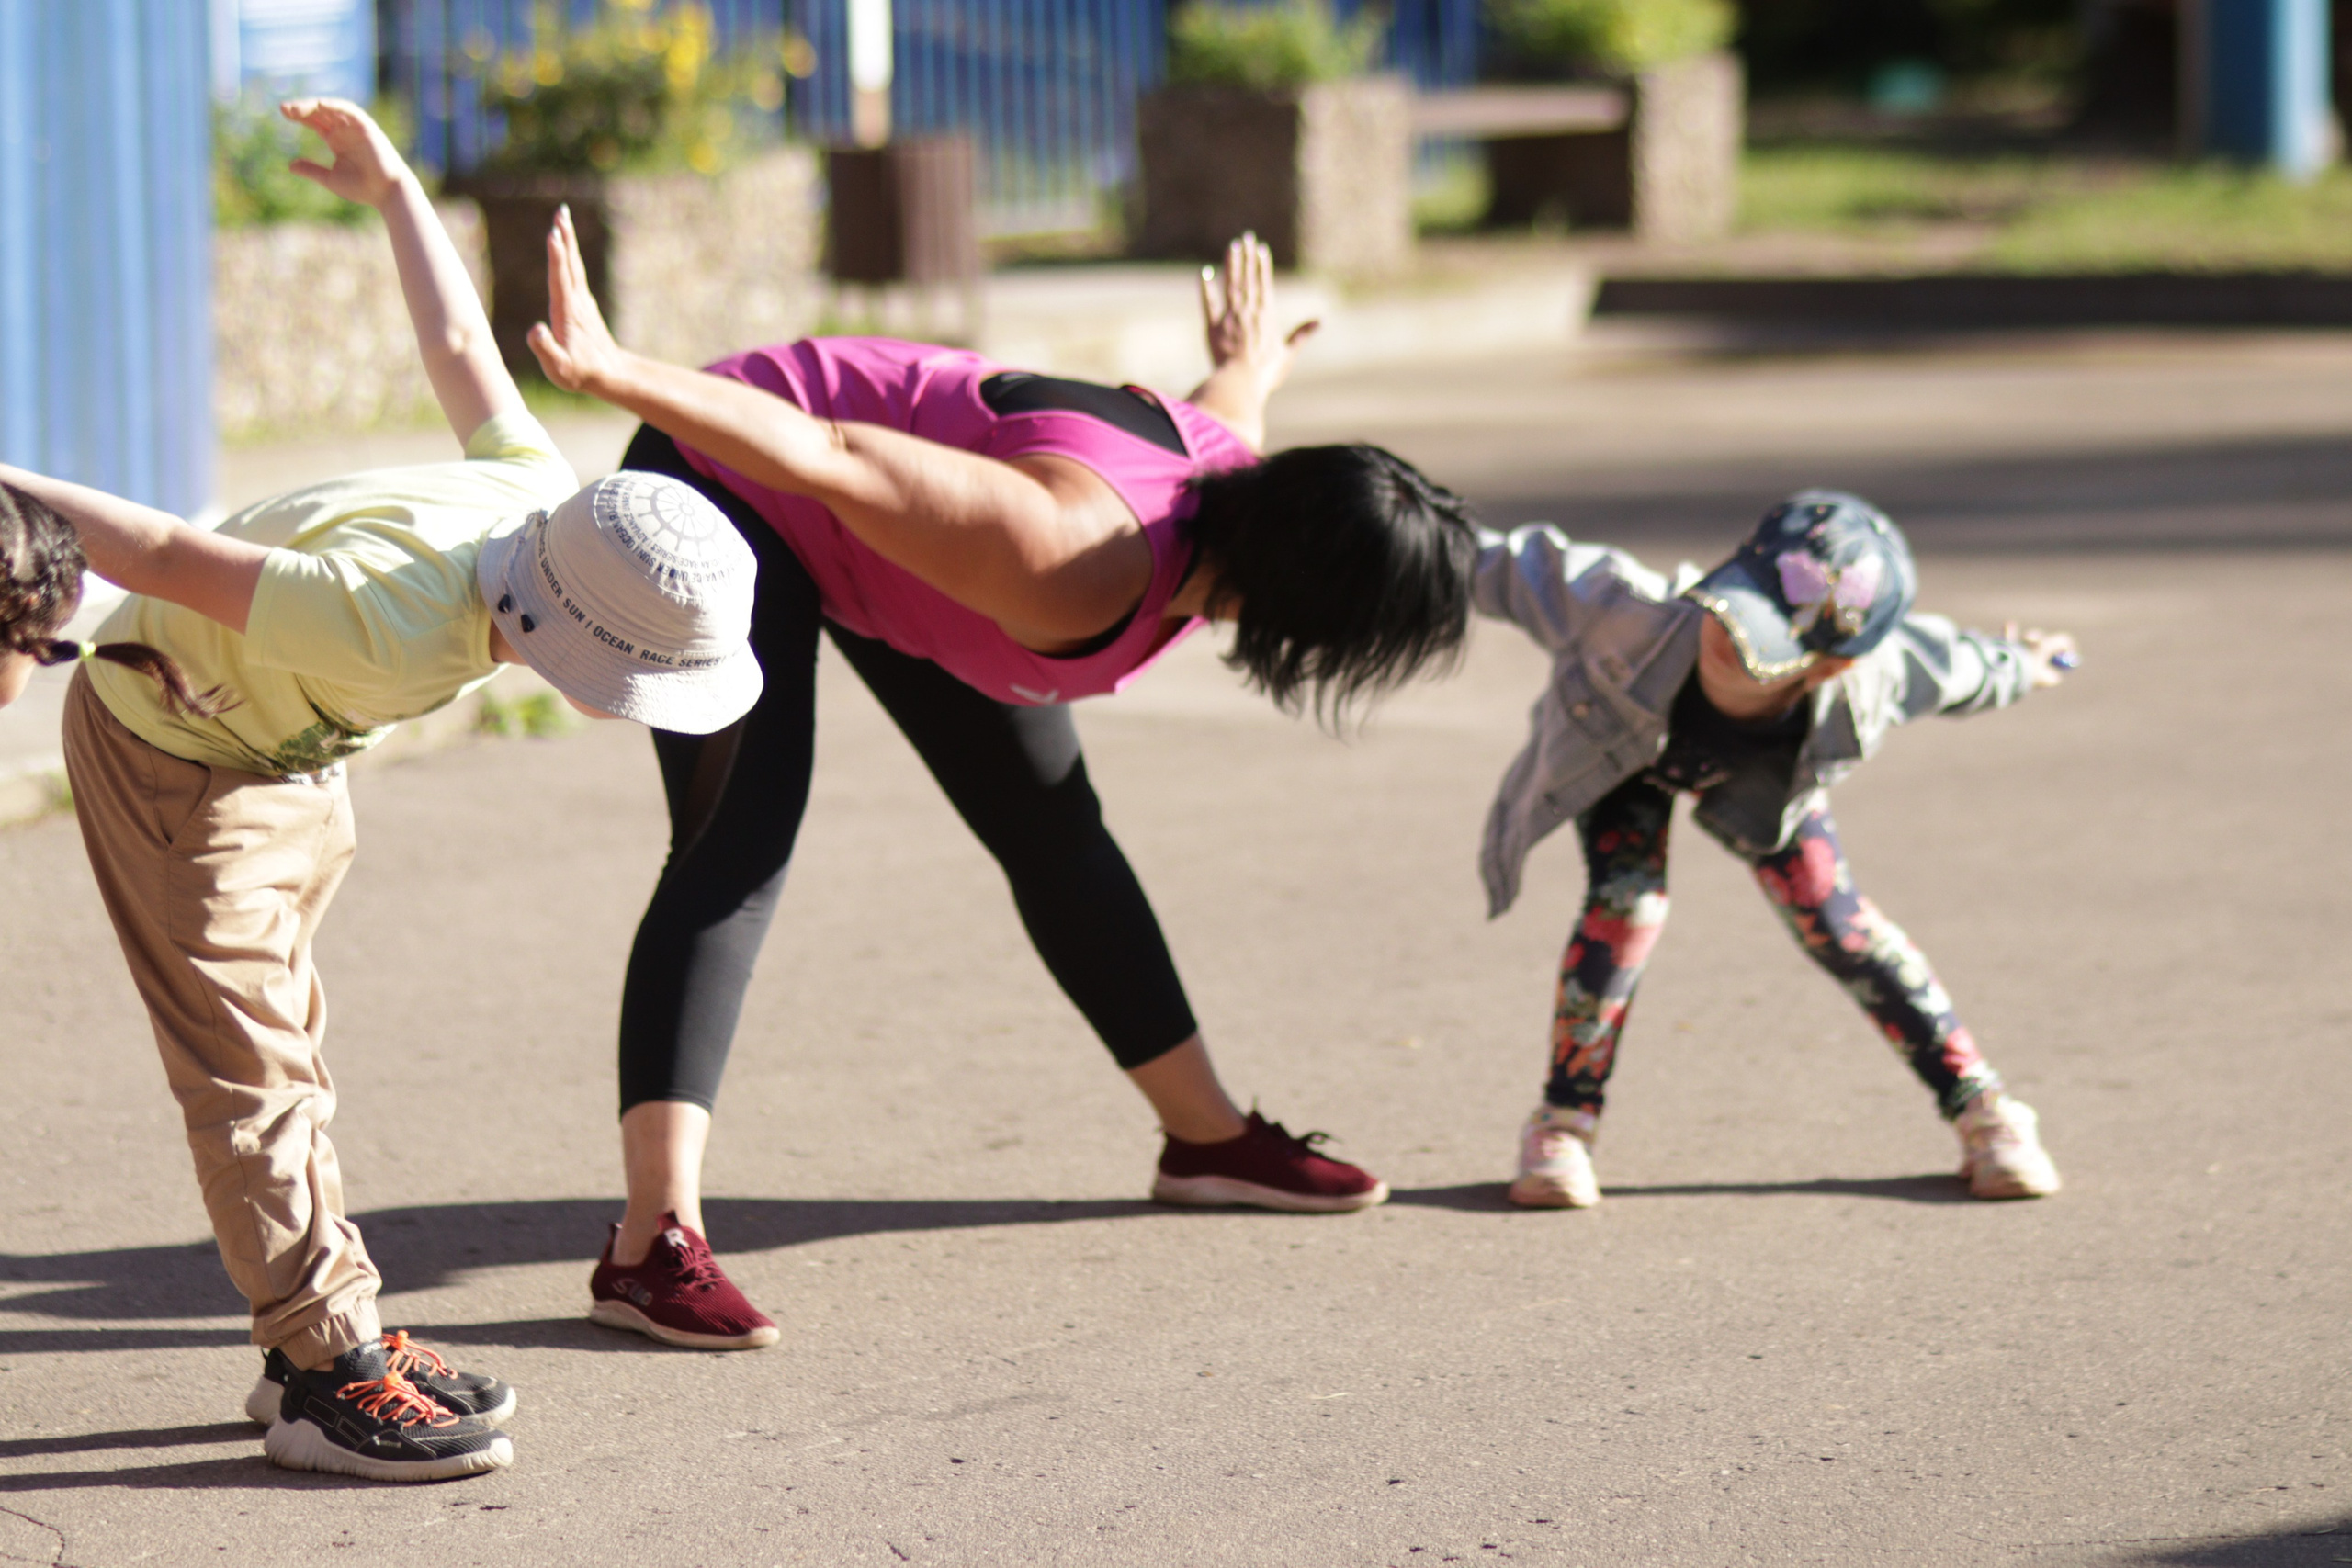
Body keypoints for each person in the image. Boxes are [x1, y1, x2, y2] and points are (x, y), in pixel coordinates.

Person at [521, 213, 1482, 1349]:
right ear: (1310, 611)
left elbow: (1230, 400)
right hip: (741, 469)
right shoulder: (1072, 558)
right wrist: (620, 374)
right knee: (740, 844)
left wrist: (1250, 354)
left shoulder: (1243, 493)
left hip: (896, 538)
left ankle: (1206, 1139)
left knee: (1053, 826)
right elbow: (831, 458)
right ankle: (649, 1243)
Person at [0, 100, 762, 1481]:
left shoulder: (536, 497)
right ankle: (319, 1360)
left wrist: (397, 186)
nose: (626, 714)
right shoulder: (385, 620)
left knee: (294, 1047)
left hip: (285, 751)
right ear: (563, 637)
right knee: (254, 1072)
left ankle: (326, 1317)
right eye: (632, 683)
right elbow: (163, 550)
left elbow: (463, 349)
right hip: (181, 754)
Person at [1472, 491, 2074, 1209]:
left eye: (1763, 643)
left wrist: (2026, 663)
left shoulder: (1874, 675)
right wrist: (1390, 530)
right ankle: (1563, 1125)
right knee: (1627, 906)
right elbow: (1506, 562)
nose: (1725, 639)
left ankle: (1985, 1110)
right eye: (1735, 608)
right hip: (1624, 750)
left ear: (1824, 669)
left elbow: (1962, 665)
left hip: (1768, 782)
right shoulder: (1629, 611)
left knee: (1836, 921)